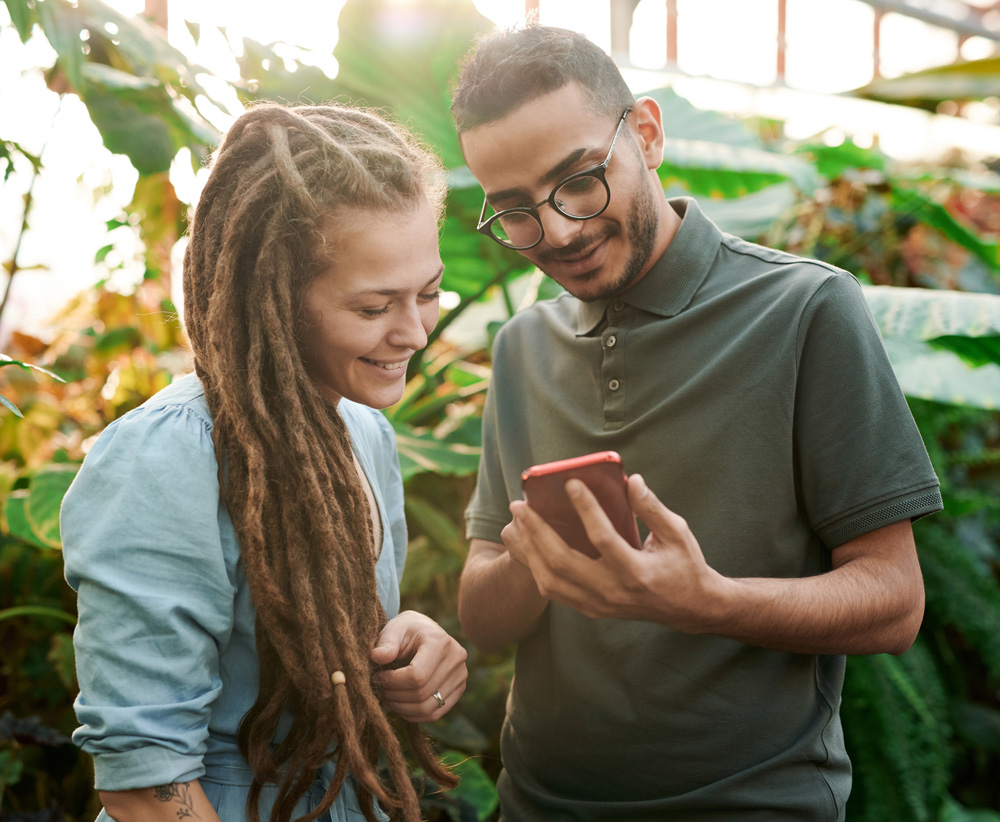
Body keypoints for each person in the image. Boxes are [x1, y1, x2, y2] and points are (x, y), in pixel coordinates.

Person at [452, 24, 942, 821]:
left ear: (645, 134)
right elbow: (483, 614)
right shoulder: (520, 348)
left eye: (579, 180)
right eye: (514, 210)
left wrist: (702, 599)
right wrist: (538, 561)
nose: (560, 231)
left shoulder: (807, 309)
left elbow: (894, 602)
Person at [61, 102, 468, 822]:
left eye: (429, 293)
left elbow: (325, 648)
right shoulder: (168, 455)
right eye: (375, 307)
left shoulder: (363, 430)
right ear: (274, 298)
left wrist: (411, 652)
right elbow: (144, 784)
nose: (414, 332)